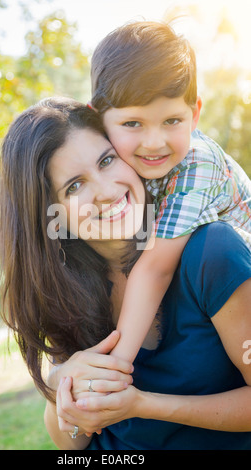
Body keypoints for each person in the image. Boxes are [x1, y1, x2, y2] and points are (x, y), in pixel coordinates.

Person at [0, 96, 251, 450]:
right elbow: (71, 445)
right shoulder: (64, 287)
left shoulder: (212, 252)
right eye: (74, 186)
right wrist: (62, 384)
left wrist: (145, 405)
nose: (105, 191)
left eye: (107, 160)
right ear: (51, 214)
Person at [88, 20, 251, 364]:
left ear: (195, 115)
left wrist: (118, 364)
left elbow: (155, 268)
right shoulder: (122, 167)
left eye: (172, 121)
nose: (154, 143)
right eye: (133, 123)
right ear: (98, 120)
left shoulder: (197, 162)